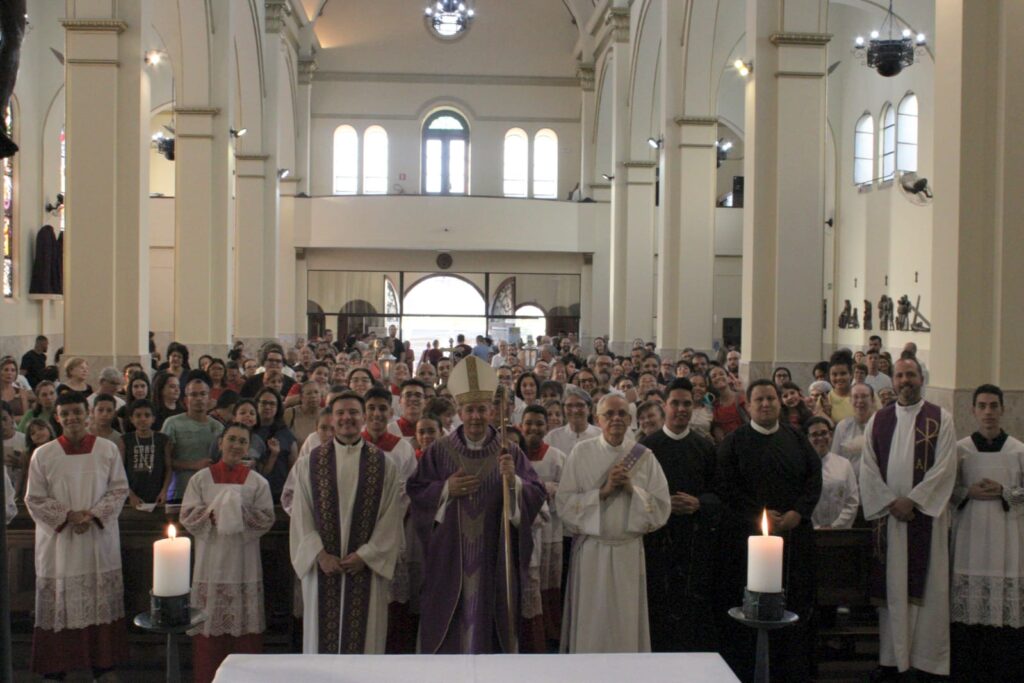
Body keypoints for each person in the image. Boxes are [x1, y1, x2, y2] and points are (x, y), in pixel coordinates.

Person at [407, 356, 546, 654]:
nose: (475, 416)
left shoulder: (510, 451)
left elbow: (536, 492)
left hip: (494, 554)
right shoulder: (439, 451)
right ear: (458, 412)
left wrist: (514, 483)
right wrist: (445, 489)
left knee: (492, 621)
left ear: (493, 411)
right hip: (451, 556)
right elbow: (417, 491)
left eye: (482, 409)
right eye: (469, 409)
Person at [715, 379, 822, 681]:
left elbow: (814, 479)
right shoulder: (733, 443)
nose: (765, 404)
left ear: (780, 403)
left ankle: (790, 671)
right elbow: (726, 488)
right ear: (747, 406)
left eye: (771, 399)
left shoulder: (797, 438)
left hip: (793, 539)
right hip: (746, 543)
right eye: (759, 399)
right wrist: (757, 516)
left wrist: (798, 513)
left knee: (795, 606)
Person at [859, 357, 957, 680]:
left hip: (924, 520)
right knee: (894, 591)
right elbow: (868, 469)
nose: (905, 380)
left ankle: (927, 662)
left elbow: (945, 468)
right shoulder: (878, 421)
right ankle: (893, 659)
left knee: (928, 592)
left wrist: (913, 501)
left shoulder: (941, 418)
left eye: (910, 374)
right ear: (893, 380)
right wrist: (891, 503)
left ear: (921, 378)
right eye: (900, 375)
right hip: (890, 522)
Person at [289, 392, 406, 654]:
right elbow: (301, 515)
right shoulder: (309, 463)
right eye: (340, 413)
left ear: (363, 417)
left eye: (353, 412)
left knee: (365, 643)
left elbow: (390, 518)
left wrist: (365, 556)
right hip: (323, 570)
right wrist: (320, 555)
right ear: (332, 418)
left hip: (365, 570)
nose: (347, 418)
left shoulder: (385, 464)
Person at [25, 391, 130, 679]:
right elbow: (34, 498)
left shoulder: (107, 450)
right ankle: (57, 669)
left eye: (77, 412)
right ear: (57, 417)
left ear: (88, 413)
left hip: (97, 539)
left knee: (100, 607)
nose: (72, 418)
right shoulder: (43, 455)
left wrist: (93, 515)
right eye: (65, 413)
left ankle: (103, 667)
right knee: (61, 606)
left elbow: (119, 489)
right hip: (60, 544)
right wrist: (68, 516)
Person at [557, 393, 670, 653]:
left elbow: (662, 507)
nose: (616, 419)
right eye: (609, 414)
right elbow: (564, 503)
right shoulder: (581, 452)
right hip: (592, 552)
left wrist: (631, 489)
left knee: (626, 622)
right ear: (598, 419)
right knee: (591, 624)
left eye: (621, 414)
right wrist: (604, 491)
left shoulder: (643, 456)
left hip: (628, 552)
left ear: (631, 420)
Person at [180, 422, 275, 683]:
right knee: (209, 632)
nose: (236, 445)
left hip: (244, 563)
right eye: (231, 439)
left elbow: (267, 519)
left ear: (248, 447)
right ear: (220, 442)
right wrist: (214, 513)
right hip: (210, 562)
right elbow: (187, 515)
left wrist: (238, 512)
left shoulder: (257, 482)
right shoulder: (201, 478)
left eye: (242, 441)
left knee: (244, 632)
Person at [949, 384, 1024, 682]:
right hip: (970, 537)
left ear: (1003, 409)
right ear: (973, 411)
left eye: (994, 406)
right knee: (968, 620)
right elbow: (947, 492)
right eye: (982, 406)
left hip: (1007, 539)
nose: (989, 412)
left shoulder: (1018, 450)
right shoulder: (960, 449)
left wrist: (1004, 491)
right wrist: (968, 490)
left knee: (1004, 622)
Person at [641, 378, 720, 653]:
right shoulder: (645, 447)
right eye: (675, 403)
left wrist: (700, 503)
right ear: (664, 406)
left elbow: (718, 493)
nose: (681, 409)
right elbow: (632, 492)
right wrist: (662, 505)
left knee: (690, 611)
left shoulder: (706, 447)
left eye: (687, 403)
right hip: (656, 543)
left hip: (694, 543)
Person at [520, 404, 567, 645]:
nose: (534, 428)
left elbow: (570, 490)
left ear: (547, 426)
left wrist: (549, 489)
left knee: (549, 584)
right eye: (529, 423)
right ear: (521, 425)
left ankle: (550, 632)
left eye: (539, 423)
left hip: (550, 530)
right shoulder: (514, 455)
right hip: (523, 531)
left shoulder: (557, 456)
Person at [163, 377, 223, 501]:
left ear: (209, 399)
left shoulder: (218, 427)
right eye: (193, 395)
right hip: (180, 492)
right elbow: (164, 461)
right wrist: (193, 465)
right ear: (186, 400)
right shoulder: (172, 423)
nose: (199, 398)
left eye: (203, 394)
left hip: (210, 493)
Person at [807, 416, 859, 529]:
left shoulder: (844, 464)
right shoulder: (801, 466)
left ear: (830, 435)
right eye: (815, 434)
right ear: (807, 438)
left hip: (839, 531)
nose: (820, 437)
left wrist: (835, 526)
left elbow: (852, 501)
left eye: (824, 433)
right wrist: (815, 526)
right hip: (809, 531)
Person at [121, 399, 172, 506]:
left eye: (147, 415)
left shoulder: (163, 440)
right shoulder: (125, 440)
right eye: (138, 415)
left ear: (153, 418)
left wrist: (164, 491)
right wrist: (130, 494)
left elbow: (168, 468)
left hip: (157, 495)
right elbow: (119, 471)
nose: (143, 419)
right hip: (132, 496)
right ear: (131, 419)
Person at [544, 385, 600, 456]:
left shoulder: (600, 436)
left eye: (580, 405)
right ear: (563, 409)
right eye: (569, 406)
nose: (575, 410)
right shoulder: (552, 437)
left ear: (589, 408)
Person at [832, 382, 875, 474]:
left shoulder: (880, 424)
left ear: (872, 399)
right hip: (850, 482)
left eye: (864, 396)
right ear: (850, 400)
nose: (860, 401)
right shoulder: (842, 426)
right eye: (855, 397)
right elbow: (835, 458)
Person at [828, 352, 855, 423]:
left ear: (851, 374)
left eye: (843, 373)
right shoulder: (825, 399)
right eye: (834, 374)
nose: (839, 378)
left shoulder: (866, 394)